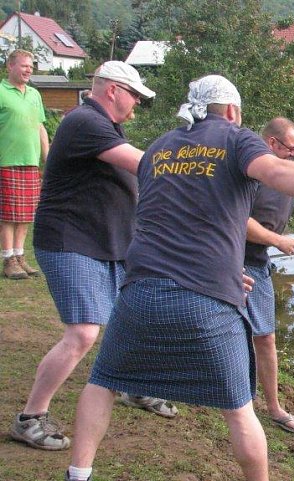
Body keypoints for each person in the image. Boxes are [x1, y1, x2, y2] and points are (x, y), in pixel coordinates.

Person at [64, 75, 294, 481]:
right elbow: (276, 171)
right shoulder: (236, 138)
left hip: (140, 289)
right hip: (207, 300)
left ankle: (78, 474)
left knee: (102, 382)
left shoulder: (160, 148)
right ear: (233, 111)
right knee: (239, 409)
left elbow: (162, 217)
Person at [10, 61, 177, 453]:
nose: (137, 104)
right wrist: (195, 170)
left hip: (109, 244)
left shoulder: (107, 126)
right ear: (113, 90)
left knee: (133, 317)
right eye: (135, 95)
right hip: (72, 242)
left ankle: (135, 388)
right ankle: (30, 418)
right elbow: (145, 164)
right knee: (84, 332)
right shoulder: (85, 122)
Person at [244, 117, 294, 434]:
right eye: (290, 148)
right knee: (225, 335)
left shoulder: (286, 172)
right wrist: (278, 240)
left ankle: (273, 407)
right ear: (272, 143)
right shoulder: (251, 172)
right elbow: (237, 221)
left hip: (259, 262)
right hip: (230, 262)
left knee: (265, 337)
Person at [0, 50, 49, 279]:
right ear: (10, 66)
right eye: (24, 66)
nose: (29, 70)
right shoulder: (1, 91)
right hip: (6, 161)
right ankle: (8, 259)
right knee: (8, 214)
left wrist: (48, 156)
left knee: (26, 213)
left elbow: (40, 127)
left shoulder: (34, 94)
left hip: (30, 161)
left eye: (31, 66)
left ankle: (20, 256)